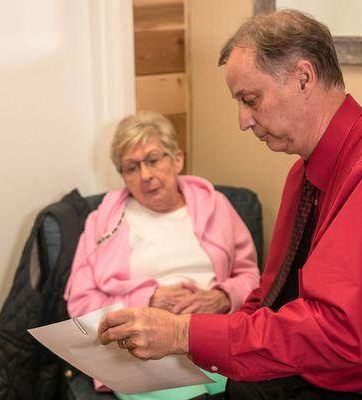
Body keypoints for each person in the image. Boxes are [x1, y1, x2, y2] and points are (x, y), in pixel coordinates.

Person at [97, 10, 362, 400]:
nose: (243, 120)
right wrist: (203, 349)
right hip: (325, 371)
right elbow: (271, 296)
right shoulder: (304, 175)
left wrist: (183, 334)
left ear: (303, 77)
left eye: (251, 99)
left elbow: (339, 333)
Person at [64, 111, 260, 399]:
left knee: (249, 388)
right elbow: (81, 304)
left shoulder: (216, 205)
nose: (146, 175)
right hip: (143, 349)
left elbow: (250, 275)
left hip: (211, 335)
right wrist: (148, 301)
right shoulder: (102, 222)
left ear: (177, 159)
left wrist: (222, 298)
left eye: (154, 160)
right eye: (131, 167)